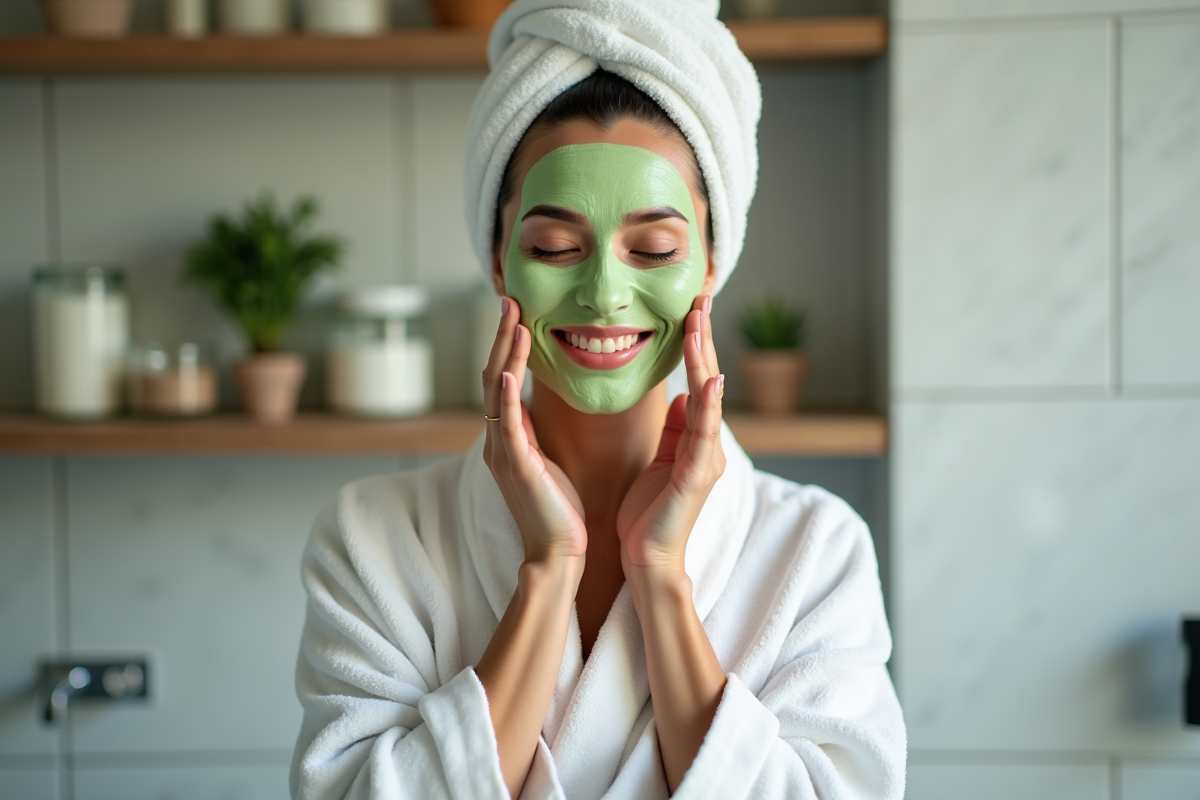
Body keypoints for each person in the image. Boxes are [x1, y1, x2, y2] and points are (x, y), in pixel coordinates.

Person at [290, 2, 905, 799]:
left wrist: (662, 578)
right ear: (498, 260)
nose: (604, 293)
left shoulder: (817, 552)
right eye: (554, 247)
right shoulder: (374, 539)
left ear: (710, 268)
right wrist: (548, 571)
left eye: (654, 249)